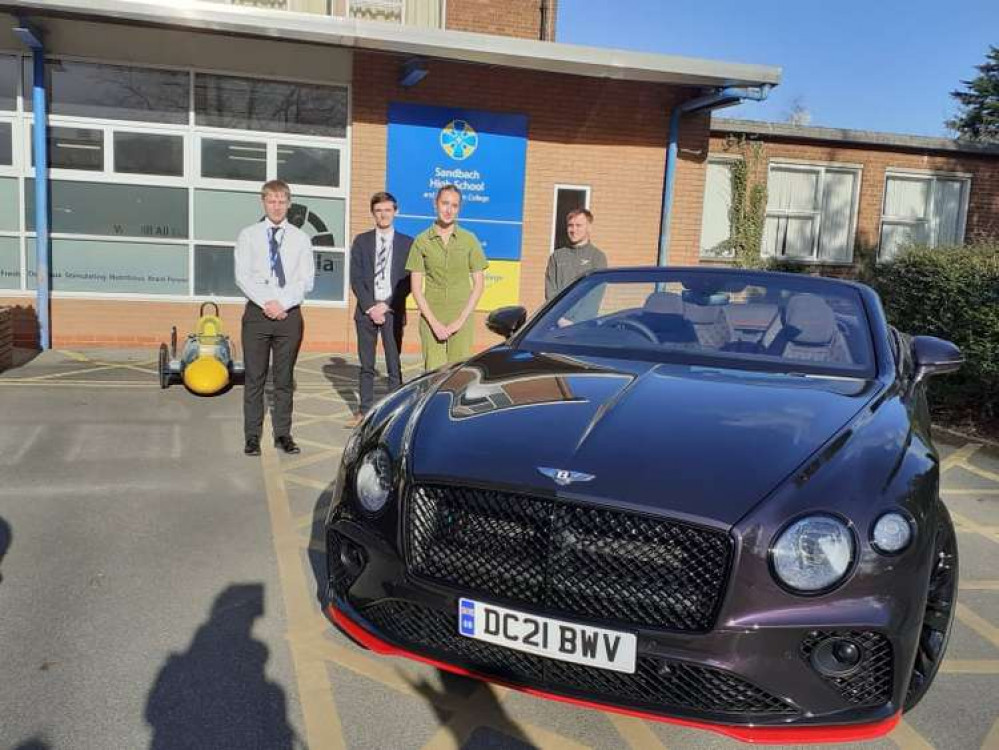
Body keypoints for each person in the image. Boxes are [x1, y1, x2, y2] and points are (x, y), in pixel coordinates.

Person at [234, 179, 315, 456]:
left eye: (282, 201)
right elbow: (242, 277)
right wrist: (267, 302)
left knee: (284, 379)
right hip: (257, 314)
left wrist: (282, 303)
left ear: (289, 204)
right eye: (271, 201)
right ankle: (252, 436)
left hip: (289, 316)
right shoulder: (249, 235)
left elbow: (306, 280)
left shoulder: (300, 238)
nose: (277, 206)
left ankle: (283, 434)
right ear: (263, 202)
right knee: (254, 378)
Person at [347, 191, 413, 427]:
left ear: (395, 211)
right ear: (373, 213)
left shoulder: (407, 243)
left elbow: (408, 281)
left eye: (387, 210)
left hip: (392, 312)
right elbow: (355, 278)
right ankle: (364, 411)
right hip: (366, 312)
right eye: (378, 210)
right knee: (367, 365)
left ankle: (396, 411)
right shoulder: (362, 241)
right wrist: (371, 307)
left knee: (394, 364)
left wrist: (386, 305)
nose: (383, 214)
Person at [407, 184, 488, 370]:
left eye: (454, 205)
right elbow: (416, 289)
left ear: (459, 208)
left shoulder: (469, 240)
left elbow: (478, 285)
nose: (449, 210)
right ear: (435, 204)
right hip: (431, 318)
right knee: (434, 376)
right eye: (445, 203)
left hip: (461, 319)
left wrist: (460, 321)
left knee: (459, 376)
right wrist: (434, 324)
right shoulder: (421, 241)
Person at [544, 208, 607, 325]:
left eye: (579, 225)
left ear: (589, 227)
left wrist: (576, 321)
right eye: (570, 225)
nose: (573, 230)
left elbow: (595, 294)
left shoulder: (597, 257)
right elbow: (550, 291)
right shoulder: (557, 256)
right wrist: (559, 318)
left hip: (583, 325)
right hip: (556, 323)